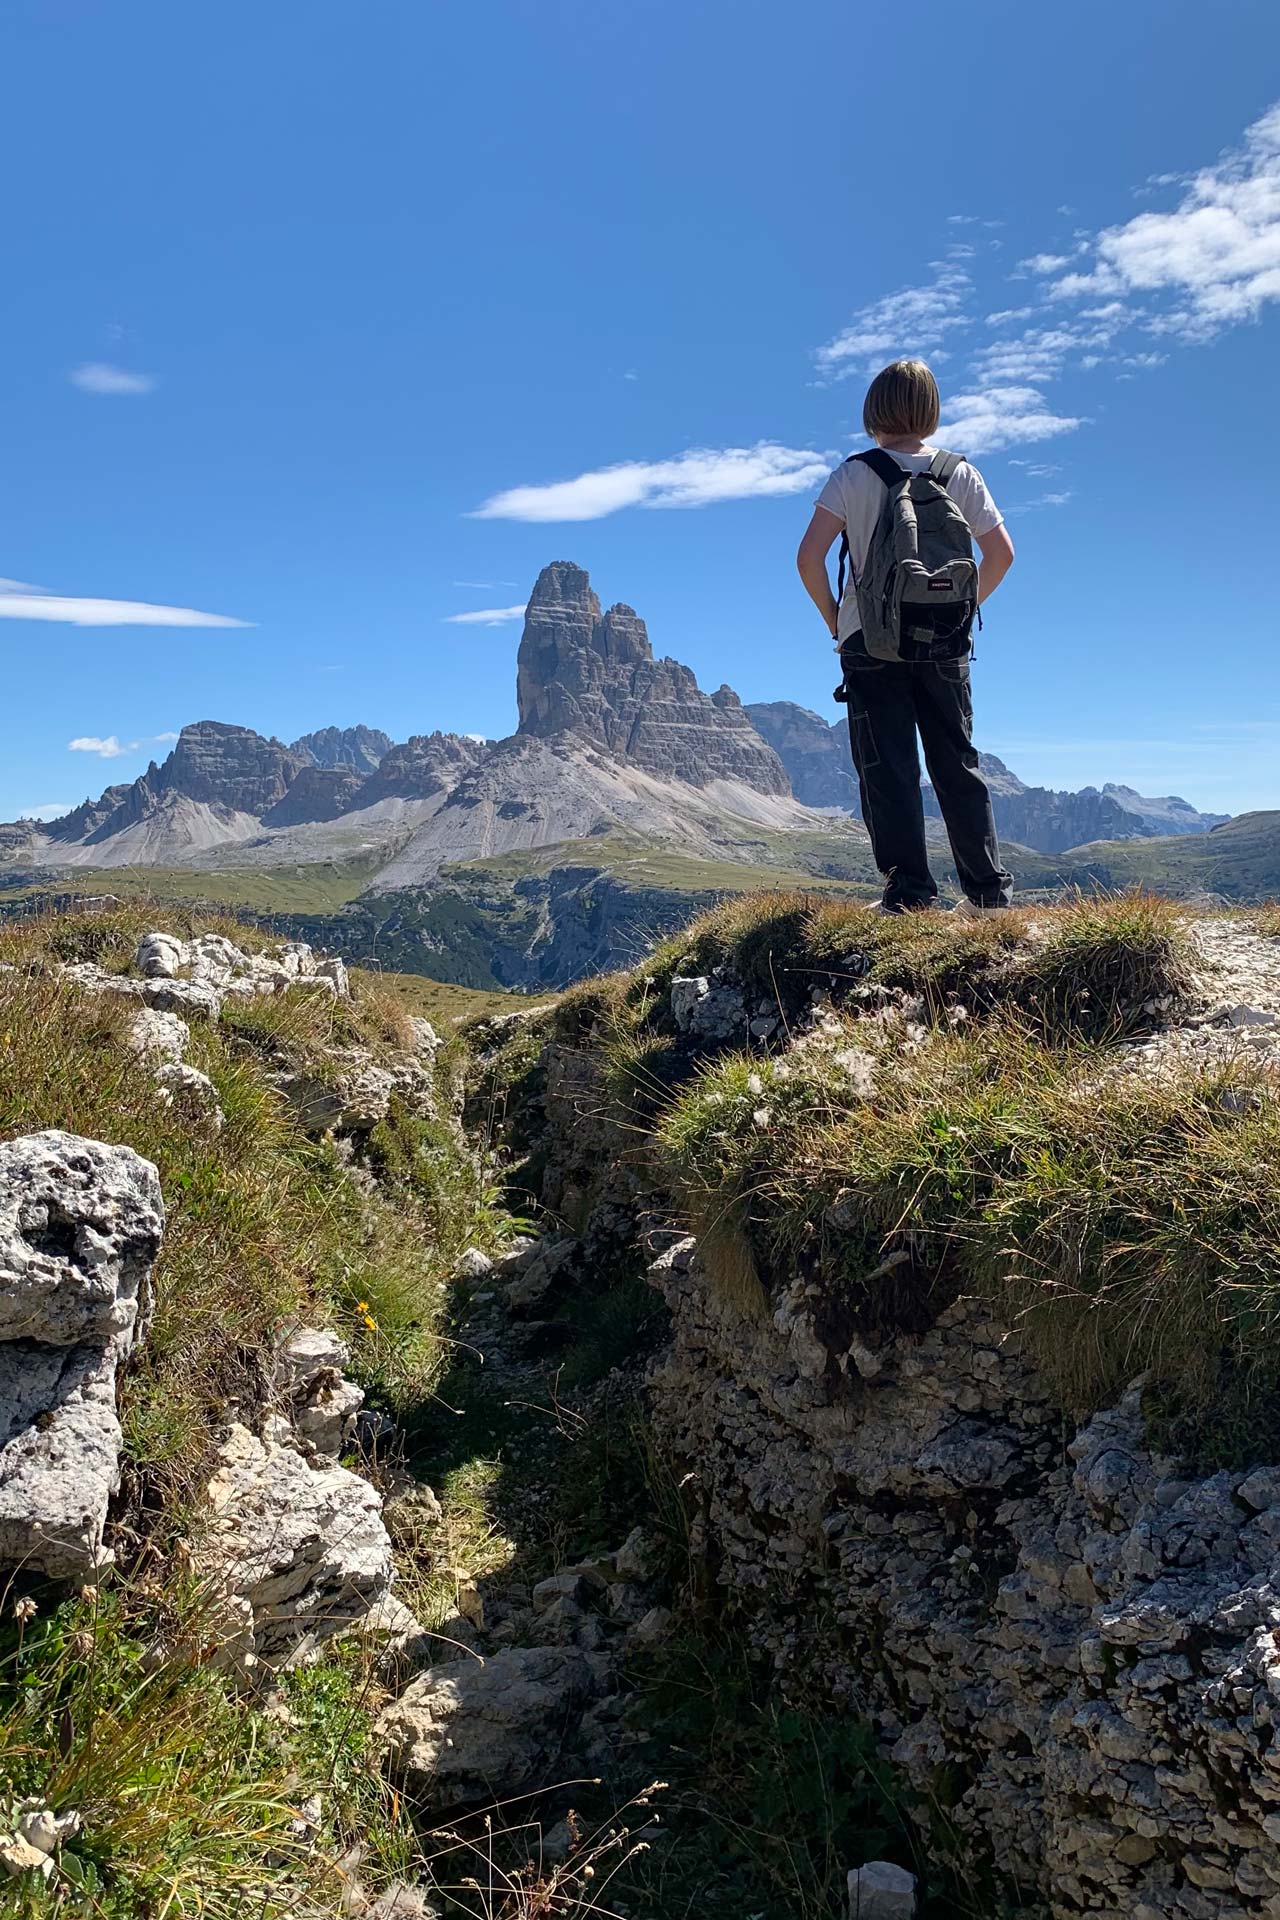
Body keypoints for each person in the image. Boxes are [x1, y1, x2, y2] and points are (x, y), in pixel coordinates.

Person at [796, 357, 1016, 913]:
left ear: (873, 411)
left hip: (870, 642)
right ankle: (988, 897)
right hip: (944, 640)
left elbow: (809, 559)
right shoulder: (960, 473)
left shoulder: (853, 473)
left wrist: (835, 620)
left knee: (887, 768)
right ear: (931, 412)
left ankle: (910, 896)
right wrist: (961, 612)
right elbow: (1002, 554)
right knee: (957, 761)